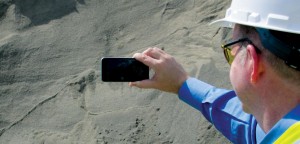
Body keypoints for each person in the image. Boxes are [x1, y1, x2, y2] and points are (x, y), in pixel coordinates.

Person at [129, 0, 300, 143]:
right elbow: (253, 126)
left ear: (252, 63)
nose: (231, 57)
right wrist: (182, 83)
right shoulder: (284, 126)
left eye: (231, 51)